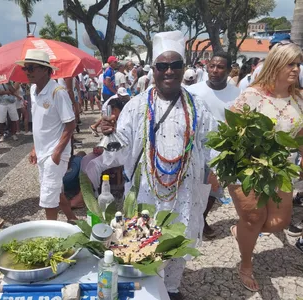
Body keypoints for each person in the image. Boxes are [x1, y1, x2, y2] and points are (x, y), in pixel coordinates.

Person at [86, 31, 218, 299]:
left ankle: (172, 287)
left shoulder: (198, 107)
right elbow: (119, 149)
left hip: (185, 189)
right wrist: (110, 132)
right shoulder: (136, 106)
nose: (169, 71)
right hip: (147, 189)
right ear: (153, 70)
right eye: (162, 66)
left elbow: (211, 144)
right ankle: (150, 287)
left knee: (179, 238)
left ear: (183, 69)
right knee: (147, 239)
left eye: (175, 65)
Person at [229, 42, 303, 292]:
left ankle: (240, 230)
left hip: (280, 170)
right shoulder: (252, 95)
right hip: (247, 168)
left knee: (279, 222)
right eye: (290, 63)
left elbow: (301, 134)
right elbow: (231, 134)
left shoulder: (299, 98)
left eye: (298, 64)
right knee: (253, 217)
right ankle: (246, 264)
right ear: (276, 65)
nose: (295, 69)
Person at [16, 49, 77, 222]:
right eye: (25, 69)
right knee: (55, 190)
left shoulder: (58, 92)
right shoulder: (33, 90)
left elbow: (70, 124)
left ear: (44, 69)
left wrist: (56, 152)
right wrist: (35, 148)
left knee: (48, 197)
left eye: (31, 68)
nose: (27, 72)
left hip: (55, 152)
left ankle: (50, 232)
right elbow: (39, 123)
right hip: (43, 151)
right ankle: (72, 219)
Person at [187, 52, 240, 238]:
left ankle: (201, 219)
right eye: (212, 66)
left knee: (214, 189)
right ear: (207, 67)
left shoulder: (237, 94)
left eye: (220, 67)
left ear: (228, 69)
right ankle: (190, 221)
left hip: (221, 151)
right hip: (195, 149)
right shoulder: (193, 91)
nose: (215, 71)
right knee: (192, 186)